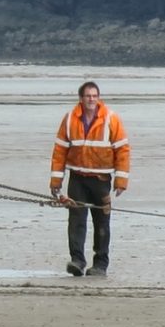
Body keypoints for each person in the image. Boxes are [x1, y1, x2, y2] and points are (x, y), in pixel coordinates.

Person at [50, 82, 130, 277]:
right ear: (81, 98)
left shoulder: (111, 119)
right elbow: (59, 151)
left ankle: (100, 264)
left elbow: (123, 150)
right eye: (88, 96)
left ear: (98, 97)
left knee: (102, 221)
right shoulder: (69, 119)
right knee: (76, 220)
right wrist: (56, 181)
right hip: (77, 177)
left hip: (101, 179)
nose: (91, 99)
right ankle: (77, 260)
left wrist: (121, 181)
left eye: (94, 96)